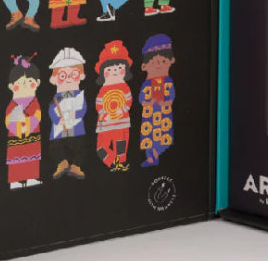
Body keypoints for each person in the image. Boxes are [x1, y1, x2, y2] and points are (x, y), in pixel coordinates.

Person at [47, 47, 88, 179]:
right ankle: (62, 163)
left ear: (80, 76)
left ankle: (76, 166)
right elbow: (51, 110)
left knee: (81, 147)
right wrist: (57, 120)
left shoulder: (79, 95)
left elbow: (83, 109)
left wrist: (75, 115)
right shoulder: (57, 97)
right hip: (60, 129)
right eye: (63, 76)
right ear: (55, 79)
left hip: (76, 128)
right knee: (54, 147)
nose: (68, 78)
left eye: (73, 74)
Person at [94, 40, 133, 171]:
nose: (114, 71)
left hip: (121, 123)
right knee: (101, 148)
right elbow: (99, 105)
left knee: (121, 146)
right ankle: (112, 162)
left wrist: (121, 111)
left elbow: (128, 101)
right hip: (105, 124)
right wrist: (105, 115)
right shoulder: (103, 89)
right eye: (109, 69)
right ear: (103, 73)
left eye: (119, 68)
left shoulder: (125, 87)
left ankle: (120, 163)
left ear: (125, 70)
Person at [5, 54, 43, 186]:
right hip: (15, 137)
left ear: (37, 83)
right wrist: (18, 127)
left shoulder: (35, 103)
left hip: (32, 135)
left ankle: (32, 177)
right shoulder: (12, 105)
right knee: (16, 160)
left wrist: (26, 122)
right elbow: (8, 121)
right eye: (20, 83)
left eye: (29, 82)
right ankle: (15, 180)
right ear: (11, 86)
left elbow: (37, 116)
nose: (25, 85)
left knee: (32, 158)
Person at [138, 34, 176, 166]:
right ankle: (151, 157)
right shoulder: (146, 84)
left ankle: (159, 154)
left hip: (163, 112)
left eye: (163, 61)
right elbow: (142, 97)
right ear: (144, 66)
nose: (158, 65)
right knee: (148, 136)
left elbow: (171, 95)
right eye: (153, 62)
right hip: (149, 113)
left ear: (171, 61)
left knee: (164, 134)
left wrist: (167, 102)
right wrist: (146, 102)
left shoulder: (168, 81)